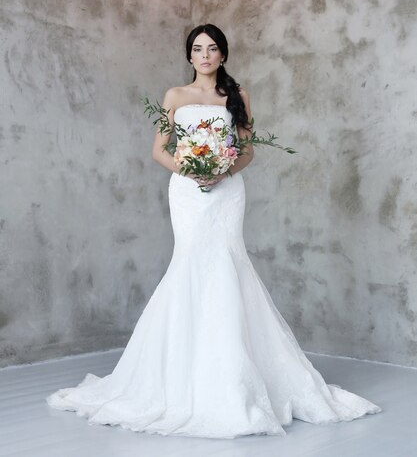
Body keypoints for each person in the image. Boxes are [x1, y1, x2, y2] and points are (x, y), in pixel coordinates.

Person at [46, 24, 381, 438]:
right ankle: (179, 379)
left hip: (227, 193)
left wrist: (223, 170)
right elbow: (159, 149)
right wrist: (190, 169)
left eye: (213, 48)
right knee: (189, 264)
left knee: (228, 263)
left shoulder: (237, 97)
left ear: (223, 55)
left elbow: (248, 150)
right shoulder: (175, 96)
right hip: (186, 193)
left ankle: (234, 379)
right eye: (198, 49)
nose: (205, 55)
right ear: (189, 56)